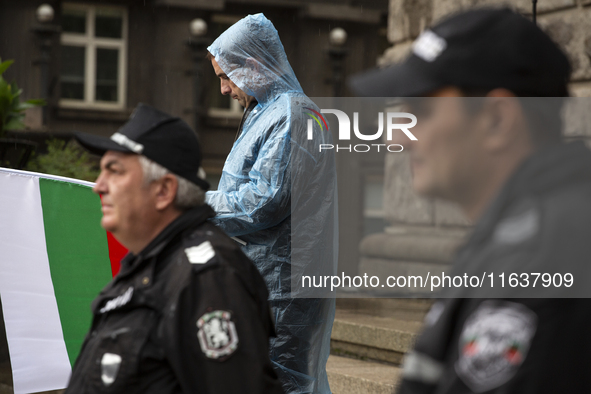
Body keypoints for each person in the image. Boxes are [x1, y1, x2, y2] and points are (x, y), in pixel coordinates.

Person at [350, 7, 591, 393]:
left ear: (498, 120)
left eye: (422, 110)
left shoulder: (538, 257)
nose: (399, 137)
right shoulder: (519, 236)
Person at [66, 103, 283, 394]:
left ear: (163, 191)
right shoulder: (148, 263)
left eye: (114, 171)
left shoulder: (207, 277)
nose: (98, 186)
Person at [206, 13, 338, 394]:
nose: (224, 90)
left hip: (282, 287)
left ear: (251, 66)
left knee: (280, 384)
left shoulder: (292, 114)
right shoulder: (267, 111)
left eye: (224, 76)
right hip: (265, 281)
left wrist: (196, 204)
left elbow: (263, 203)